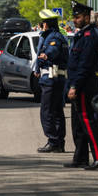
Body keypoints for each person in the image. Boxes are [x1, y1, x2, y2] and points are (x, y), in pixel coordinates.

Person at [63, 1, 98, 169]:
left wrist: (75, 86)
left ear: (86, 17)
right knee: (79, 125)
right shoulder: (81, 36)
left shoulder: (90, 37)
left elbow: (85, 65)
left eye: (77, 17)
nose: (74, 20)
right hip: (79, 83)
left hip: (85, 85)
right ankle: (80, 157)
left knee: (88, 122)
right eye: (74, 17)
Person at [35, 9, 69, 153]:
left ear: (46, 24)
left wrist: (44, 56)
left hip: (51, 78)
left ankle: (53, 141)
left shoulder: (53, 37)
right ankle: (58, 142)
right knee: (56, 111)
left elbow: (51, 54)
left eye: (42, 23)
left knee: (47, 112)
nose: (42, 26)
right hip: (54, 78)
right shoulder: (55, 35)